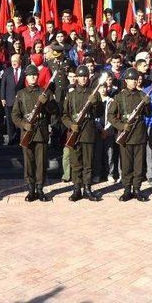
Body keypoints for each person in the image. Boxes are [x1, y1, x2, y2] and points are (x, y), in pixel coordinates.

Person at [12, 64, 57, 202]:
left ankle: (39, 189)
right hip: (27, 132)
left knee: (41, 163)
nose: (32, 77)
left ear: (38, 77)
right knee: (29, 162)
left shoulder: (45, 92)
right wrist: (24, 125)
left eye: (35, 75)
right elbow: (15, 115)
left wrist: (47, 104)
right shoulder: (21, 94)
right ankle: (30, 189)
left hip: (41, 132)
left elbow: (55, 111)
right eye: (30, 75)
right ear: (26, 77)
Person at [108, 68, 152, 202]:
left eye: (136, 79)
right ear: (126, 80)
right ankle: (127, 189)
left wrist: (147, 103)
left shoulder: (142, 95)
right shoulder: (119, 97)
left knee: (138, 165)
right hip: (125, 136)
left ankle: (137, 189)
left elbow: (149, 113)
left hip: (139, 135)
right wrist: (122, 126)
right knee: (126, 165)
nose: (134, 81)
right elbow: (111, 116)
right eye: (131, 79)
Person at [62, 65, 103, 202]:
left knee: (88, 162)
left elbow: (99, 113)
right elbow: (64, 116)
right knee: (75, 163)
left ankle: (87, 188)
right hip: (75, 132)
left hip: (88, 132)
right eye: (81, 76)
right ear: (77, 78)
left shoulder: (94, 93)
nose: (83, 78)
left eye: (85, 76)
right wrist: (70, 125)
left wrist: (96, 103)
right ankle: (76, 189)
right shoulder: (71, 95)